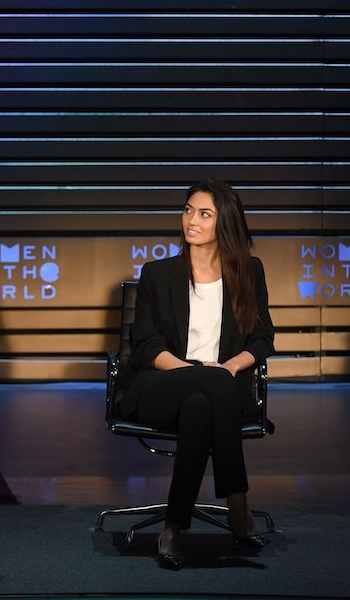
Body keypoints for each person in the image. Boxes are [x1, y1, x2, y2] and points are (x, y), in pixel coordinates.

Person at [119, 179, 275, 570]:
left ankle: (173, 528)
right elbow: (146, 345)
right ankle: (238, 504)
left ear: (225, 222)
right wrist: (196, 372)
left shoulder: (249, 272)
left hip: (219, 390)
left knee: (199, 406)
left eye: (205, 214)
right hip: (161, 385)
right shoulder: (157, 274)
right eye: (188, 210)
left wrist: (229, 367)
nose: (192, 220)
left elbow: (262, 339)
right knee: (206, 388)